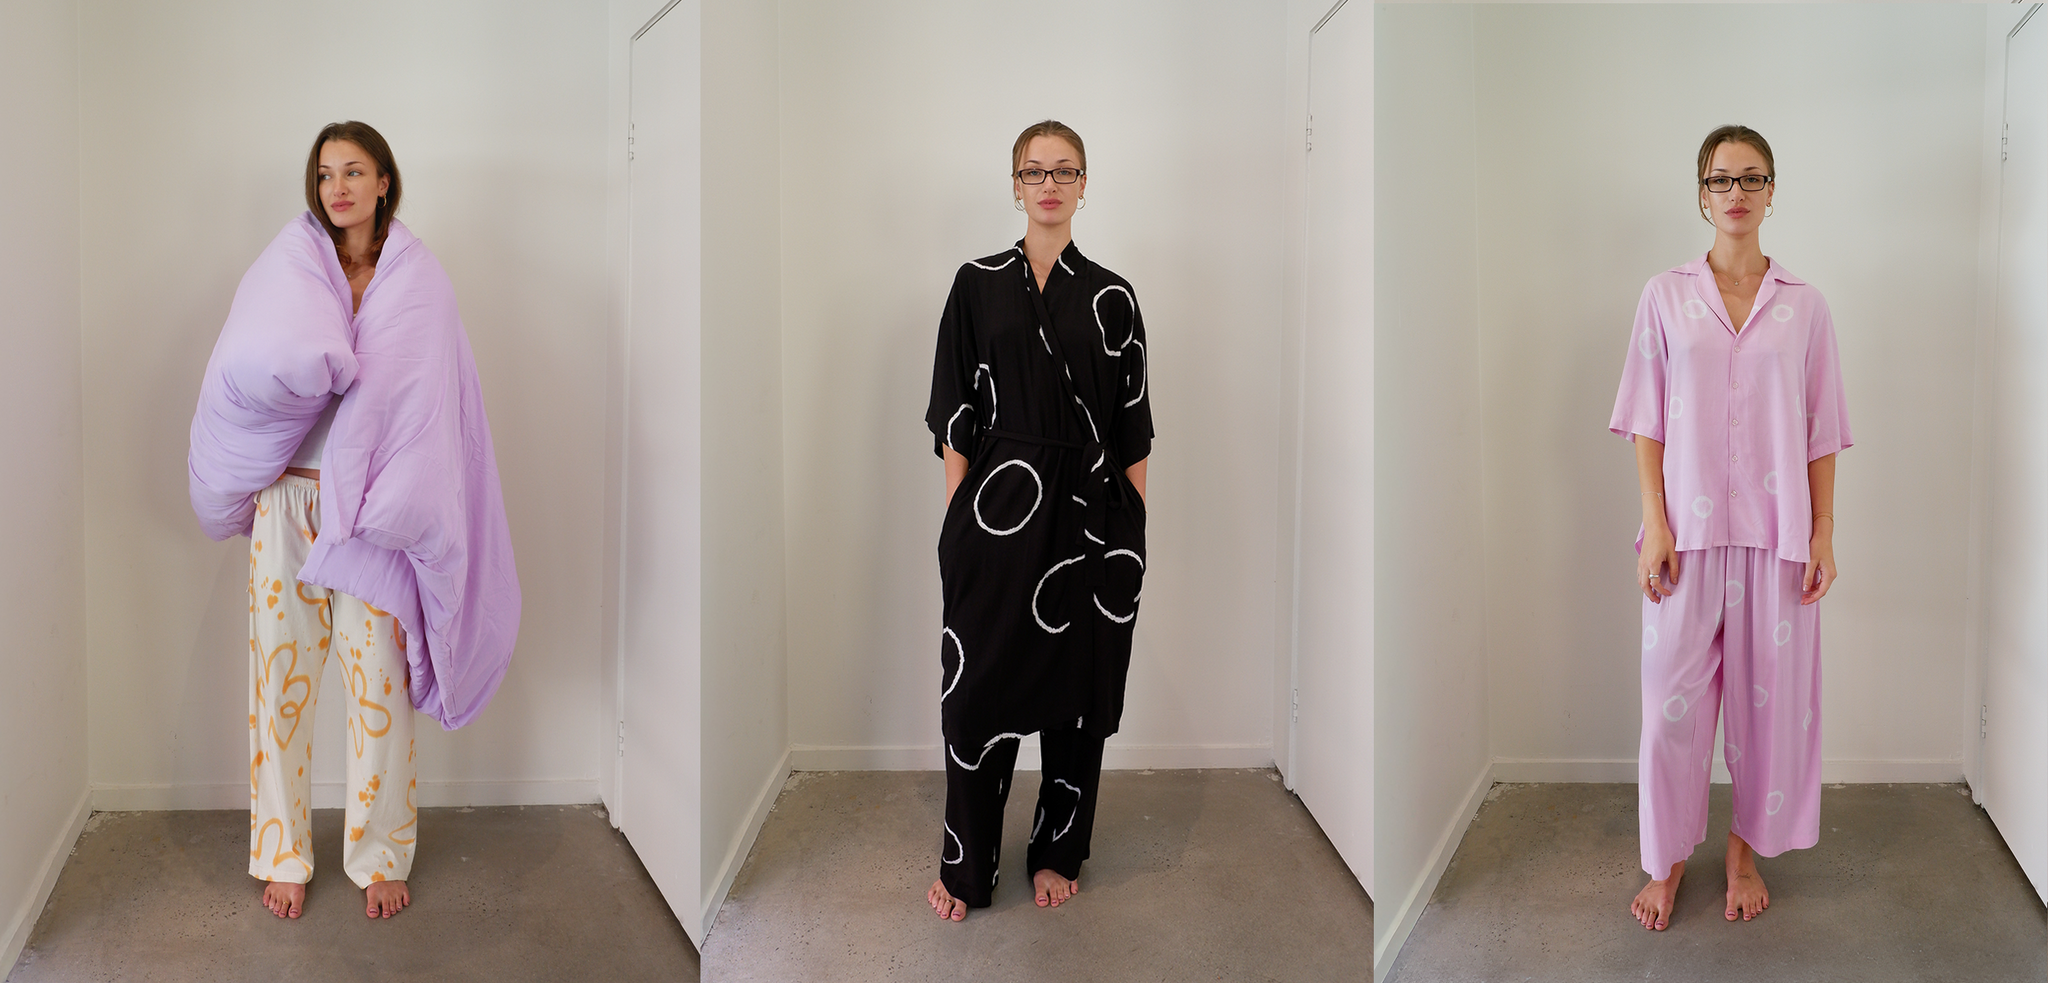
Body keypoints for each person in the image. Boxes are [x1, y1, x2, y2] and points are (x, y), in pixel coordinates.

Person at [188, 121, 520, 922]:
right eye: (325, 174)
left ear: (383, 182)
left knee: (379, 683)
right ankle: (282, 852)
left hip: (370, 515)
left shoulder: (419, 279)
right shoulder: (292, 266)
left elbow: (434, 404)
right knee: (280, 679)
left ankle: (380, 853)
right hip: (288, 500)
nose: (337, 187)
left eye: (353, 171)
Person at [1611, 125, 1851, 931]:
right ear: (1702, 194)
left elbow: (1821, 428)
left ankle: (1743, 852)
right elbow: (1646, 420)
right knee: (1668, 710)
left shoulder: (1805, 306)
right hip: (1686, 534)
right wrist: (1654, 522)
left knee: (1768, 714)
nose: (1736, 193)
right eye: (1721, 179)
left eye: (1752, 178)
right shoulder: (1664, 295)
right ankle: (1669, 859)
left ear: (1772, 190)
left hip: (1778, 538)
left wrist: (1823, 530)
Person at [922, 120, 1152, 920]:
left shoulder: (1114, 294)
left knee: (1077, 696)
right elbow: (954, 412)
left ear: (1085, 185)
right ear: (1015, 184)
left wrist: (1131, 531)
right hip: (996, 518)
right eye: (1034, 170)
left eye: (1065, 170)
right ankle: (969, 863)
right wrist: (960, 525)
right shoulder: (977, 283)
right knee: (976, 696)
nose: (1049, 184)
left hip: (1092, 521)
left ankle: (1057, 849)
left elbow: (1132, 425)